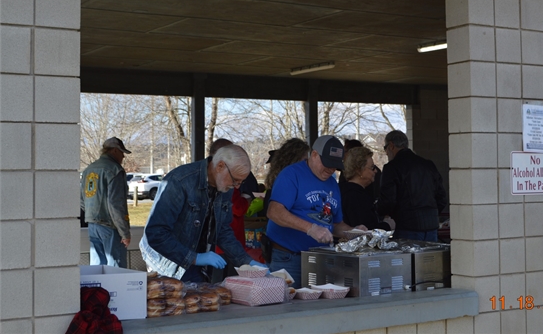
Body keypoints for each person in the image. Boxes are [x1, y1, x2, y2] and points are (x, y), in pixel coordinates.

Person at [139, 144, 266, 282]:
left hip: (197, 263)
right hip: (165, 263)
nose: (237, 187)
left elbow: (223, 230)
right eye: (235, 180)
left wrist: (246, 262)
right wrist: (194, 258)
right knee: (173, 301)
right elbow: (156, 233)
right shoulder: (179, 181)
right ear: (220, 166)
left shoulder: (225, 186)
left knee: (200, 300)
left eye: (241, 182)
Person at [266, 135, 365, 288]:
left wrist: (354, 232)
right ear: (314, 155)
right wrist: (310, 228)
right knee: (287, 308)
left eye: (335, 166)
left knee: (319, 309)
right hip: (288, 257)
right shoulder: (292, 174)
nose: (331, 169)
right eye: (327, 163)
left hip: (320, 260)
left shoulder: (332, 183)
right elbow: (274, 212)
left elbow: (335, 224)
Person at [377, 130, 447, 242]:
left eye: (385, 148)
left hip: (407, 226)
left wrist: (380, 214)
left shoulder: (392, 168)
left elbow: (388, 201)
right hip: (431, 225)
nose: (386, 153)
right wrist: (430, 213)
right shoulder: (428, 165)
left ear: (391, 146)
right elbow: (442, 197)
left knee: (406, 259)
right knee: (429, 259)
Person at [80, 137, 132, 267]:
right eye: (122, 153)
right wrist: (124, 233)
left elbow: (82, 200)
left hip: (92, 225)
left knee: (97, 269)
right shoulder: (114, 170)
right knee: (116, 271)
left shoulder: (89, 169)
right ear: (115, 150)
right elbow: (116, 204)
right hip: (110, 226)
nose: (123, 157)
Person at [341, 147, 394, 231]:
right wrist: (387, 225)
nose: (375, 171)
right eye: (372, 167)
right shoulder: (354, 196)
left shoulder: (351, 191)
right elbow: (364, 229)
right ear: (359, 170)